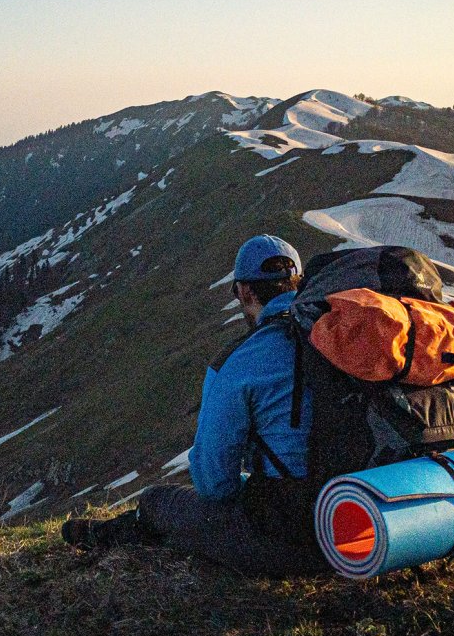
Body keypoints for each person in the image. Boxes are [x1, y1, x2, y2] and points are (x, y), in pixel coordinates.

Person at [62, 234, 327, 576]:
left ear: (244, 292)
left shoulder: (238, 362)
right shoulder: (339, 341)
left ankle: (106, 535)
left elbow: (213, 483)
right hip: (355, 525)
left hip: (288, 540)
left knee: (158, 501)